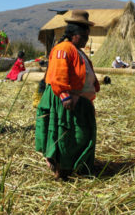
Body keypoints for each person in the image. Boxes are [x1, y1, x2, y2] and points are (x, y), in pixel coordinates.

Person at [35, 10, 100, 179]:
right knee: (67, 135)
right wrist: (65, 95)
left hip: (78, 100)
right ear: (73, 34)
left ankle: (73, 167)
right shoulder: (63, 49)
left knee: (79, 134)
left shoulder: (76, 49)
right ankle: (62, 169)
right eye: (83, 36)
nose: (86, 39)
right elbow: (58, 74)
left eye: (87, 35)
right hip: (65, 100)